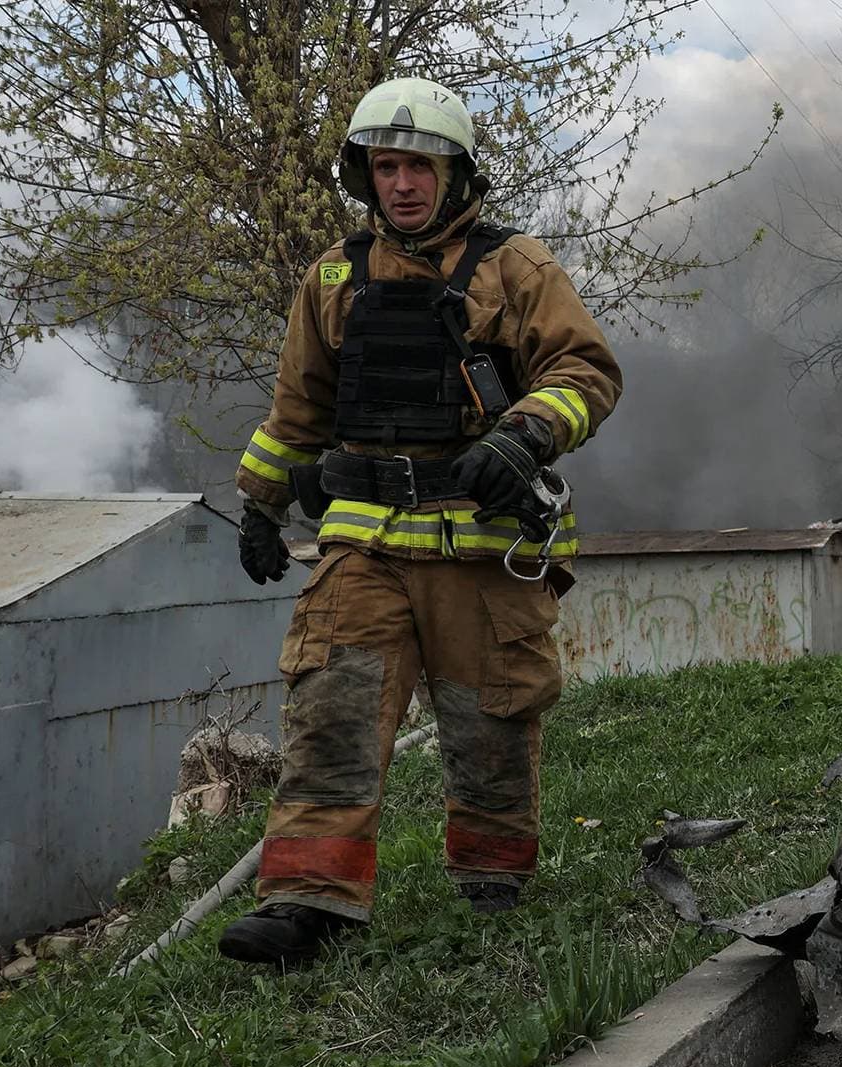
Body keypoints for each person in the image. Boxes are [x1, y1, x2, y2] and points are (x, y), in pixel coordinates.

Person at [220, 77, 623, 966]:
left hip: (483, 546)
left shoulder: (516, 268)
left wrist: (524, 436)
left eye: (420, 166)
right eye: (385, 167)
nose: (402, 184)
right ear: (364, 176)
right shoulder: (334, 276)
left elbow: (586, 372)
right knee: (331, 709)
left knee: (491, 721)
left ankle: (492, 882)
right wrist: (260, 505)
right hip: (363, 544)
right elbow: (297, 410)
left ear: (456, 174)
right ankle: (305, 903)